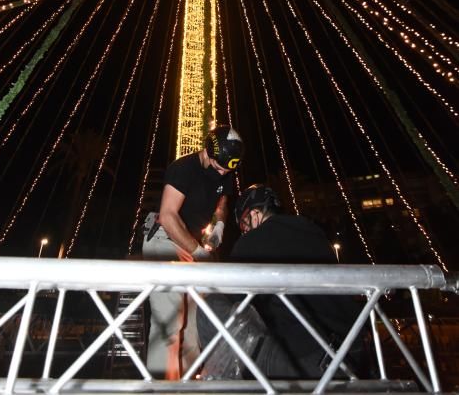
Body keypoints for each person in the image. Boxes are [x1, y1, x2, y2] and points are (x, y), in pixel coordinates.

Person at [197, 184, 371, 380]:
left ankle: (221, 385)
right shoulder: (314, 232)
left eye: (245, 224)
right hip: (349, 356)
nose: (246, 231)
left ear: (255, 214)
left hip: (303, 360)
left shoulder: (252, 241)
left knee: (209, 305)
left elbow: (234, 301)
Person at [142, 124, 244, 379]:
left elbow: (223, 199)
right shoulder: (183, 168)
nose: (223, 173)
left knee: (191, 327)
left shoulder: (225, 170)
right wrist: (198, 253)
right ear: (209, 151)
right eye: (220, 166)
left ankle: (186, 386)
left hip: (190, 243)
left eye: (228, 169)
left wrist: (220, 223)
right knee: (169, 323)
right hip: (165, 240)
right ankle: (161, 388)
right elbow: (167, 216)